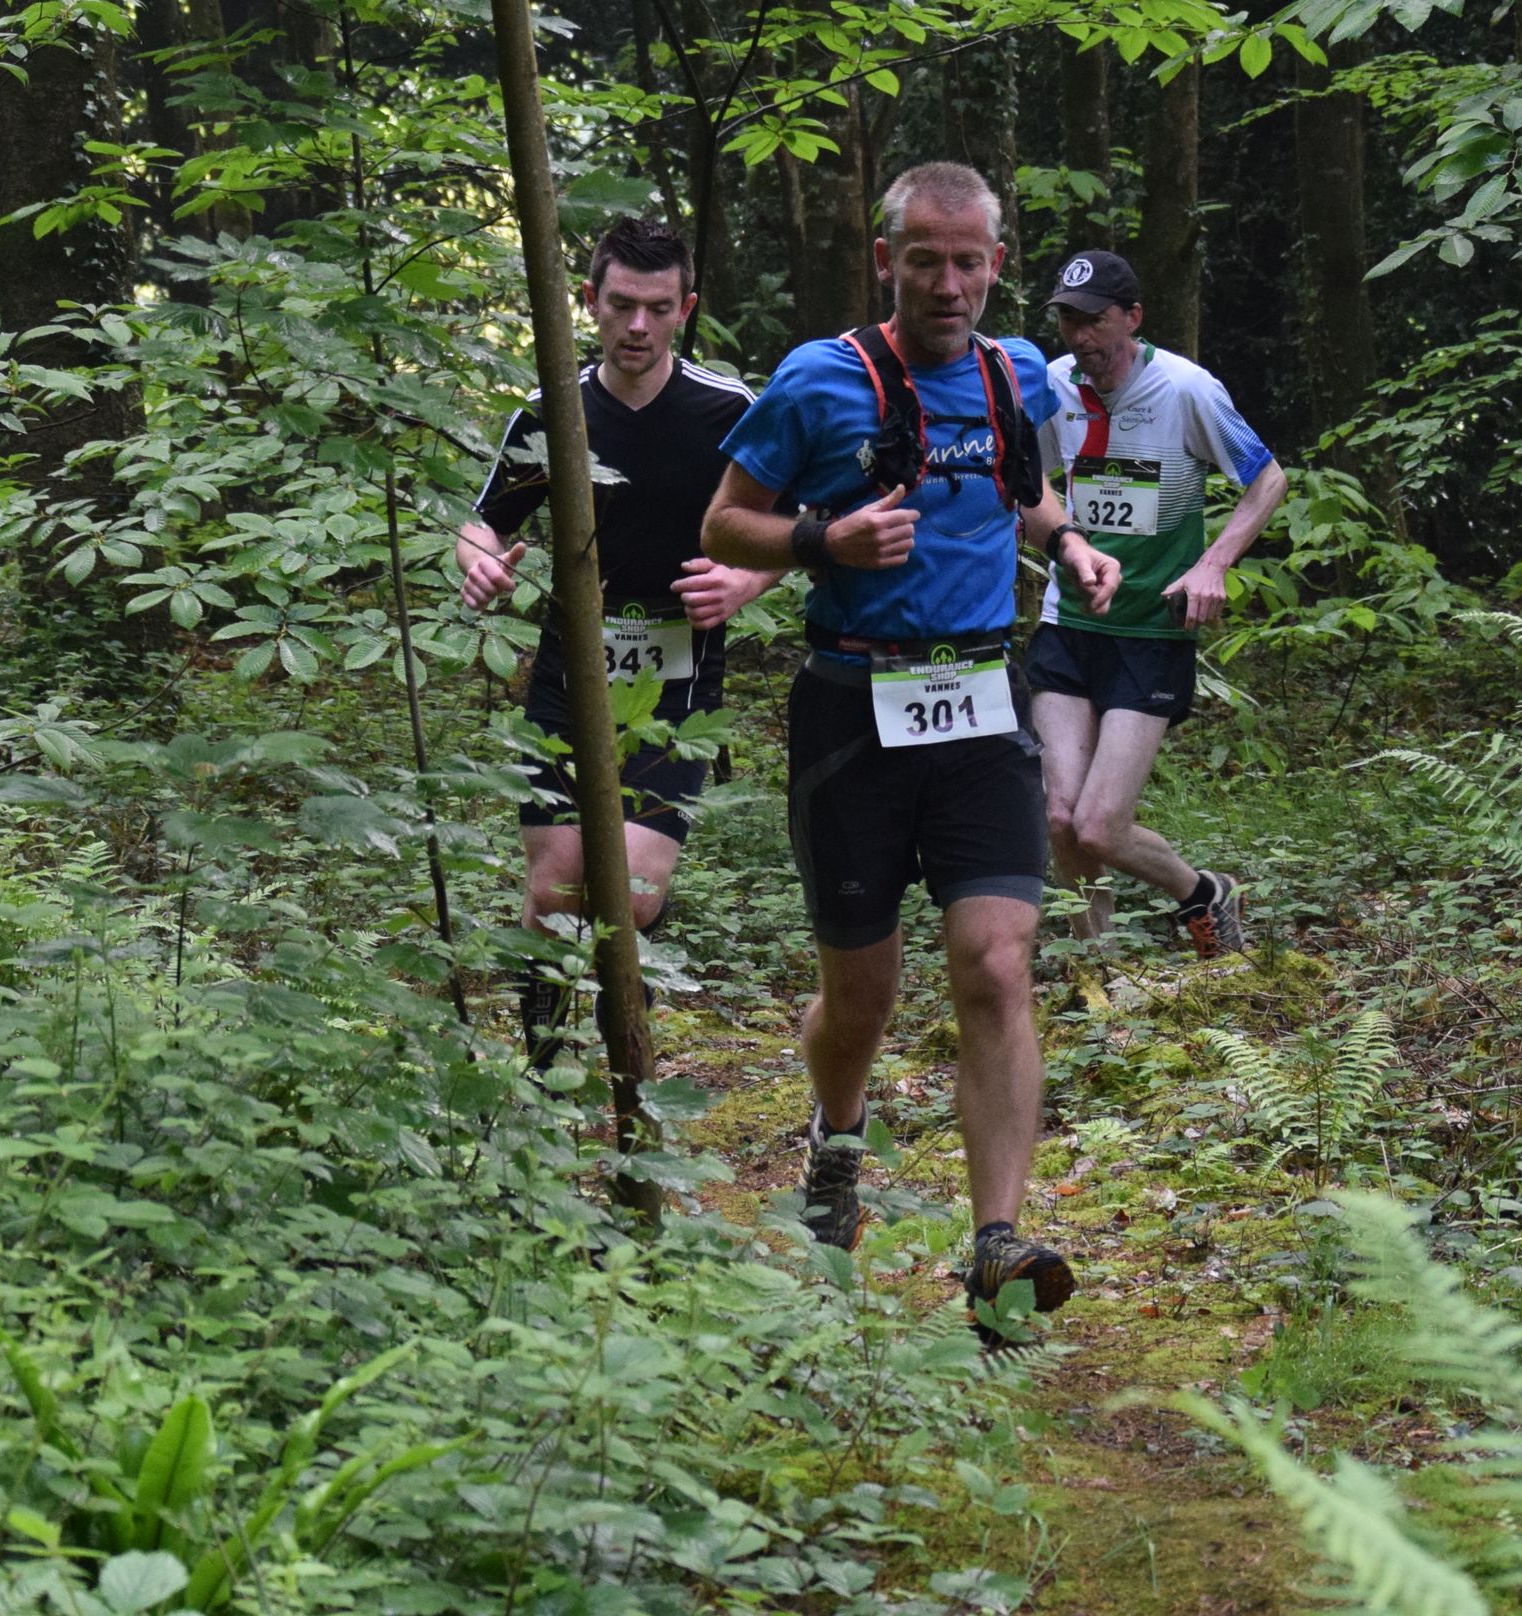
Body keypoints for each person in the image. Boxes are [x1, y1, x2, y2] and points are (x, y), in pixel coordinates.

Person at [701, 161, 1123, 1337]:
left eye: (968, 262)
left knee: (995, 963)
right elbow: (723, 522)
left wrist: (1070, 544)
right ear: (885, 259)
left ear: (997, 265)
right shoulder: (816, 380)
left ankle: (996, 1245)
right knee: (861, 997)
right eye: (925, 261)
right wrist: (823, 540)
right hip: (852, 712)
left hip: (982, 701)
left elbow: (1022, 489)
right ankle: (838, 1139)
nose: (947, 284)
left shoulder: (1017, 374)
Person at [459, 215, 776, 1063]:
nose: (639, 325)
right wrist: (481, 565)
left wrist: (743, 582)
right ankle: (538, 1072)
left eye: (659, 308)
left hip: (677, 679)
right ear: (589, 300)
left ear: (687, 309)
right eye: (622, 305)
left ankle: (625, 1040)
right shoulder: (552, 412)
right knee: (554, 890)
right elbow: (483, 524)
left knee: (629, 896)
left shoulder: (729, 411)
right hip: (570, 672)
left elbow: (797, 527)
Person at [1030, 249, 1288, 956]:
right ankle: (1101, 971)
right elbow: (1028, 481)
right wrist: (1067, 542)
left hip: (1151, 630)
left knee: (1099, 826)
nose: (1081, 337)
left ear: (1133, 317)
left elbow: (1267, 479)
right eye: (1068, 321)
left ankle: (1203, 892)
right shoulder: (1053, 385)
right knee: (1059, 816)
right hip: (1068, 620)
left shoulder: (1186, 389)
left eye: (1095, 320)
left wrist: (1213, 563)